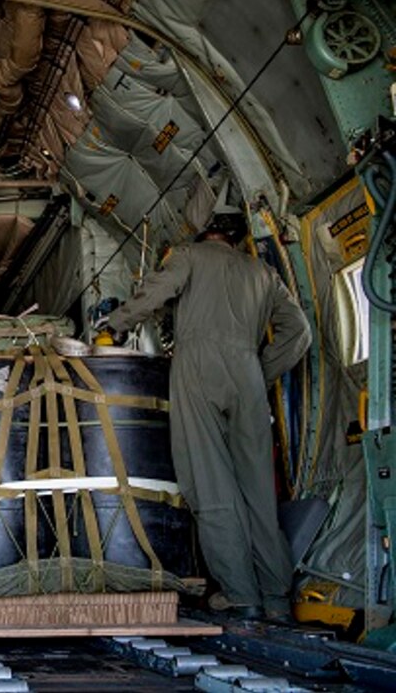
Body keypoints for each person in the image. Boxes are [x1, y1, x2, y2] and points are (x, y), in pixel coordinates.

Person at [103, 209, 310, 622]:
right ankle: (276, 598)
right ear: (238, 238)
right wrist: (258, 371)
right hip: (249, 374)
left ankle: (241, 594)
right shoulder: (264, 274)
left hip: (198, 366)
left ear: (206, 233)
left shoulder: (188, 255)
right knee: (257, 491)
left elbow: (156, 293)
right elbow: (300, 332)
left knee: (210, 484)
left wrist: (116, 323)